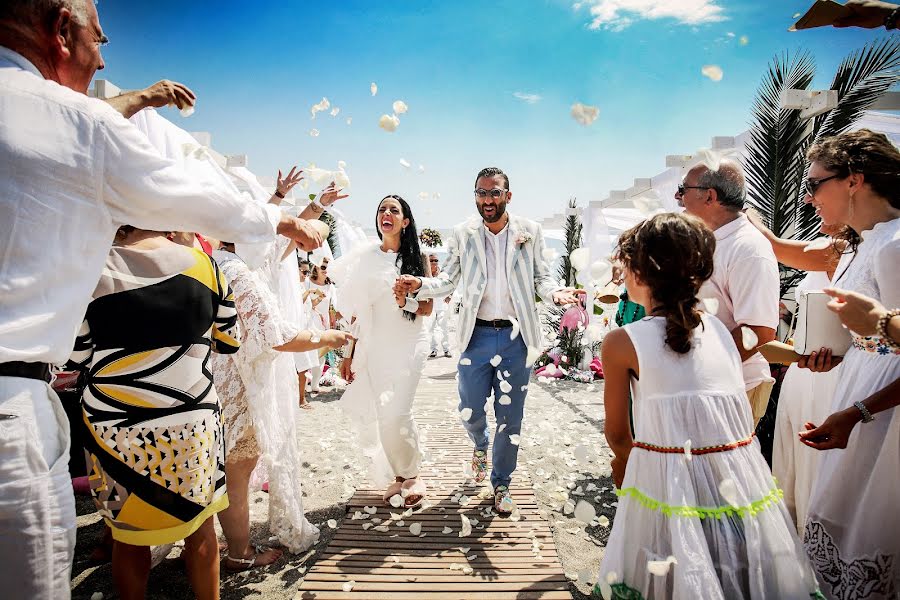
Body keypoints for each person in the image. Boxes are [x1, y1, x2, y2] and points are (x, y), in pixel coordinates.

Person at [0, 2, 324, 597]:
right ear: (60, 31)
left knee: (129, 539)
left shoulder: (52, 128)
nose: (102, 54)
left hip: (108, 422)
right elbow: (191, 194)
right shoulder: (73, 125)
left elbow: (81, 348)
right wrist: (282, 220)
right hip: (21, 410)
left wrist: (142, 100)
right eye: (98, 36)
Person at [598, 212, 822, 599]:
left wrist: (623, 462)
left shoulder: (621, 342)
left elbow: (618, 432)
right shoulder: (718, 330)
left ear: (639, 272)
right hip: (736, 478)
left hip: (666, 482)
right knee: (732, 567)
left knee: (671, 568)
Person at [66, 226, 239, 599]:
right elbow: (229, 340)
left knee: (127, 538)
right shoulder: (206, 266)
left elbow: (74, 355)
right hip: (192, 422)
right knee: (201, 525)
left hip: (114, 430)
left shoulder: (92, 269)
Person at [394, 167, 578, 514]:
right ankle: (480, 443)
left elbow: (541, 278)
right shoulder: (464, 233)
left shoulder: (530, 232)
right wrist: (420, 284)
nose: (488, 199)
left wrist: (555, 295)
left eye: (495, 193)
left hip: (516, 337)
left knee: (511, 417)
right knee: (471, 408)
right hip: (475, 334)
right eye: (481, 193)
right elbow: (448, 279)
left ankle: (502, 483)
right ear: (475, 196)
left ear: (508, 195)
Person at [792, 129, 900, 598]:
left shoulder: (894, 246)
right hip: (860, 398)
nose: (808, 196)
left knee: (867, 530)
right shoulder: (866, 245)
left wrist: (857, 413)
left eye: (815, 184)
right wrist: (834, 356)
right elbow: (872, 341)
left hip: (885, 417)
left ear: (854, 181)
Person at [212, 238, 351, 569]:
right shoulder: (237, 270)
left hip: (222, 375)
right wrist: (327, 338)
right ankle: (239, 552)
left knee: (225, 469)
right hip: (240, 385)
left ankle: (217, 542)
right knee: (237, 469)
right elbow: (273, 335)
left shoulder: (216, 261)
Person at [333, 195, 433, 506]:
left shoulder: (419, 259)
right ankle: (399, 476)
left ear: (405, 221)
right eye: (381, 209)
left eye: (394, 210)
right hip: (375, 347)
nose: (386, 213)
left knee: (398, 410)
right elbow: (357, 314)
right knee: (384, 415)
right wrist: (348, 354)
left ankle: (413, 474)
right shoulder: (365, 259)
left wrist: (406, 301)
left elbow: (427, 308)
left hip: (410, 343)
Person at [676, 159, 780, 426]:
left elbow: (759, 332)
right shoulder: (711, 240)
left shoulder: (748, 249)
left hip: (733, 387)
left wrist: (698, 372)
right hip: (708, 384)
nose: (678, 197)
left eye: (683, 189)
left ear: (710, 196)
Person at [294, 259, 319, 409]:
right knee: (301, 367)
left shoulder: (302, 285)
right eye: (303, 272)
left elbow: (308, 306)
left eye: (307, 272)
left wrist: (318, 300)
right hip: (297, 329)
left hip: (306, 327)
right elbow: (297, 303)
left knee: (304, 366)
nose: (306, 275)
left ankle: (301, 397)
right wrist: (308, 292)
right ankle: (301, 399)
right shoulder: (293, 286)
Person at [426, 254, 452, 358]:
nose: (434, 262)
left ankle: (446, 349)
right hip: (430, 306)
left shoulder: (443, 274)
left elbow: (451, 284)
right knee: (430, 328)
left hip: (442, 305)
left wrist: (450, 296)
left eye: (436, 260)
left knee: (444, 328)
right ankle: (433, 350)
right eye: (432, 260)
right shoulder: (426, 274)